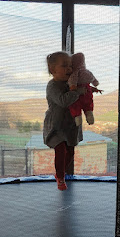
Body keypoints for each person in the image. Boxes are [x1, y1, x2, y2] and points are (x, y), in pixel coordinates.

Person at [43, 51, 86, 191]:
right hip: (56, 125)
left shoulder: (71, 83)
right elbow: (63, 101)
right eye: (64, 66)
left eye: (70, 66)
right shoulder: (52, 86)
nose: (69, 69)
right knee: (60, 149)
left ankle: (60, 173)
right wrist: (77, 92)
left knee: (70, 152)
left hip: (70, 125)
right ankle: (60, 177)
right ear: (52, 70)